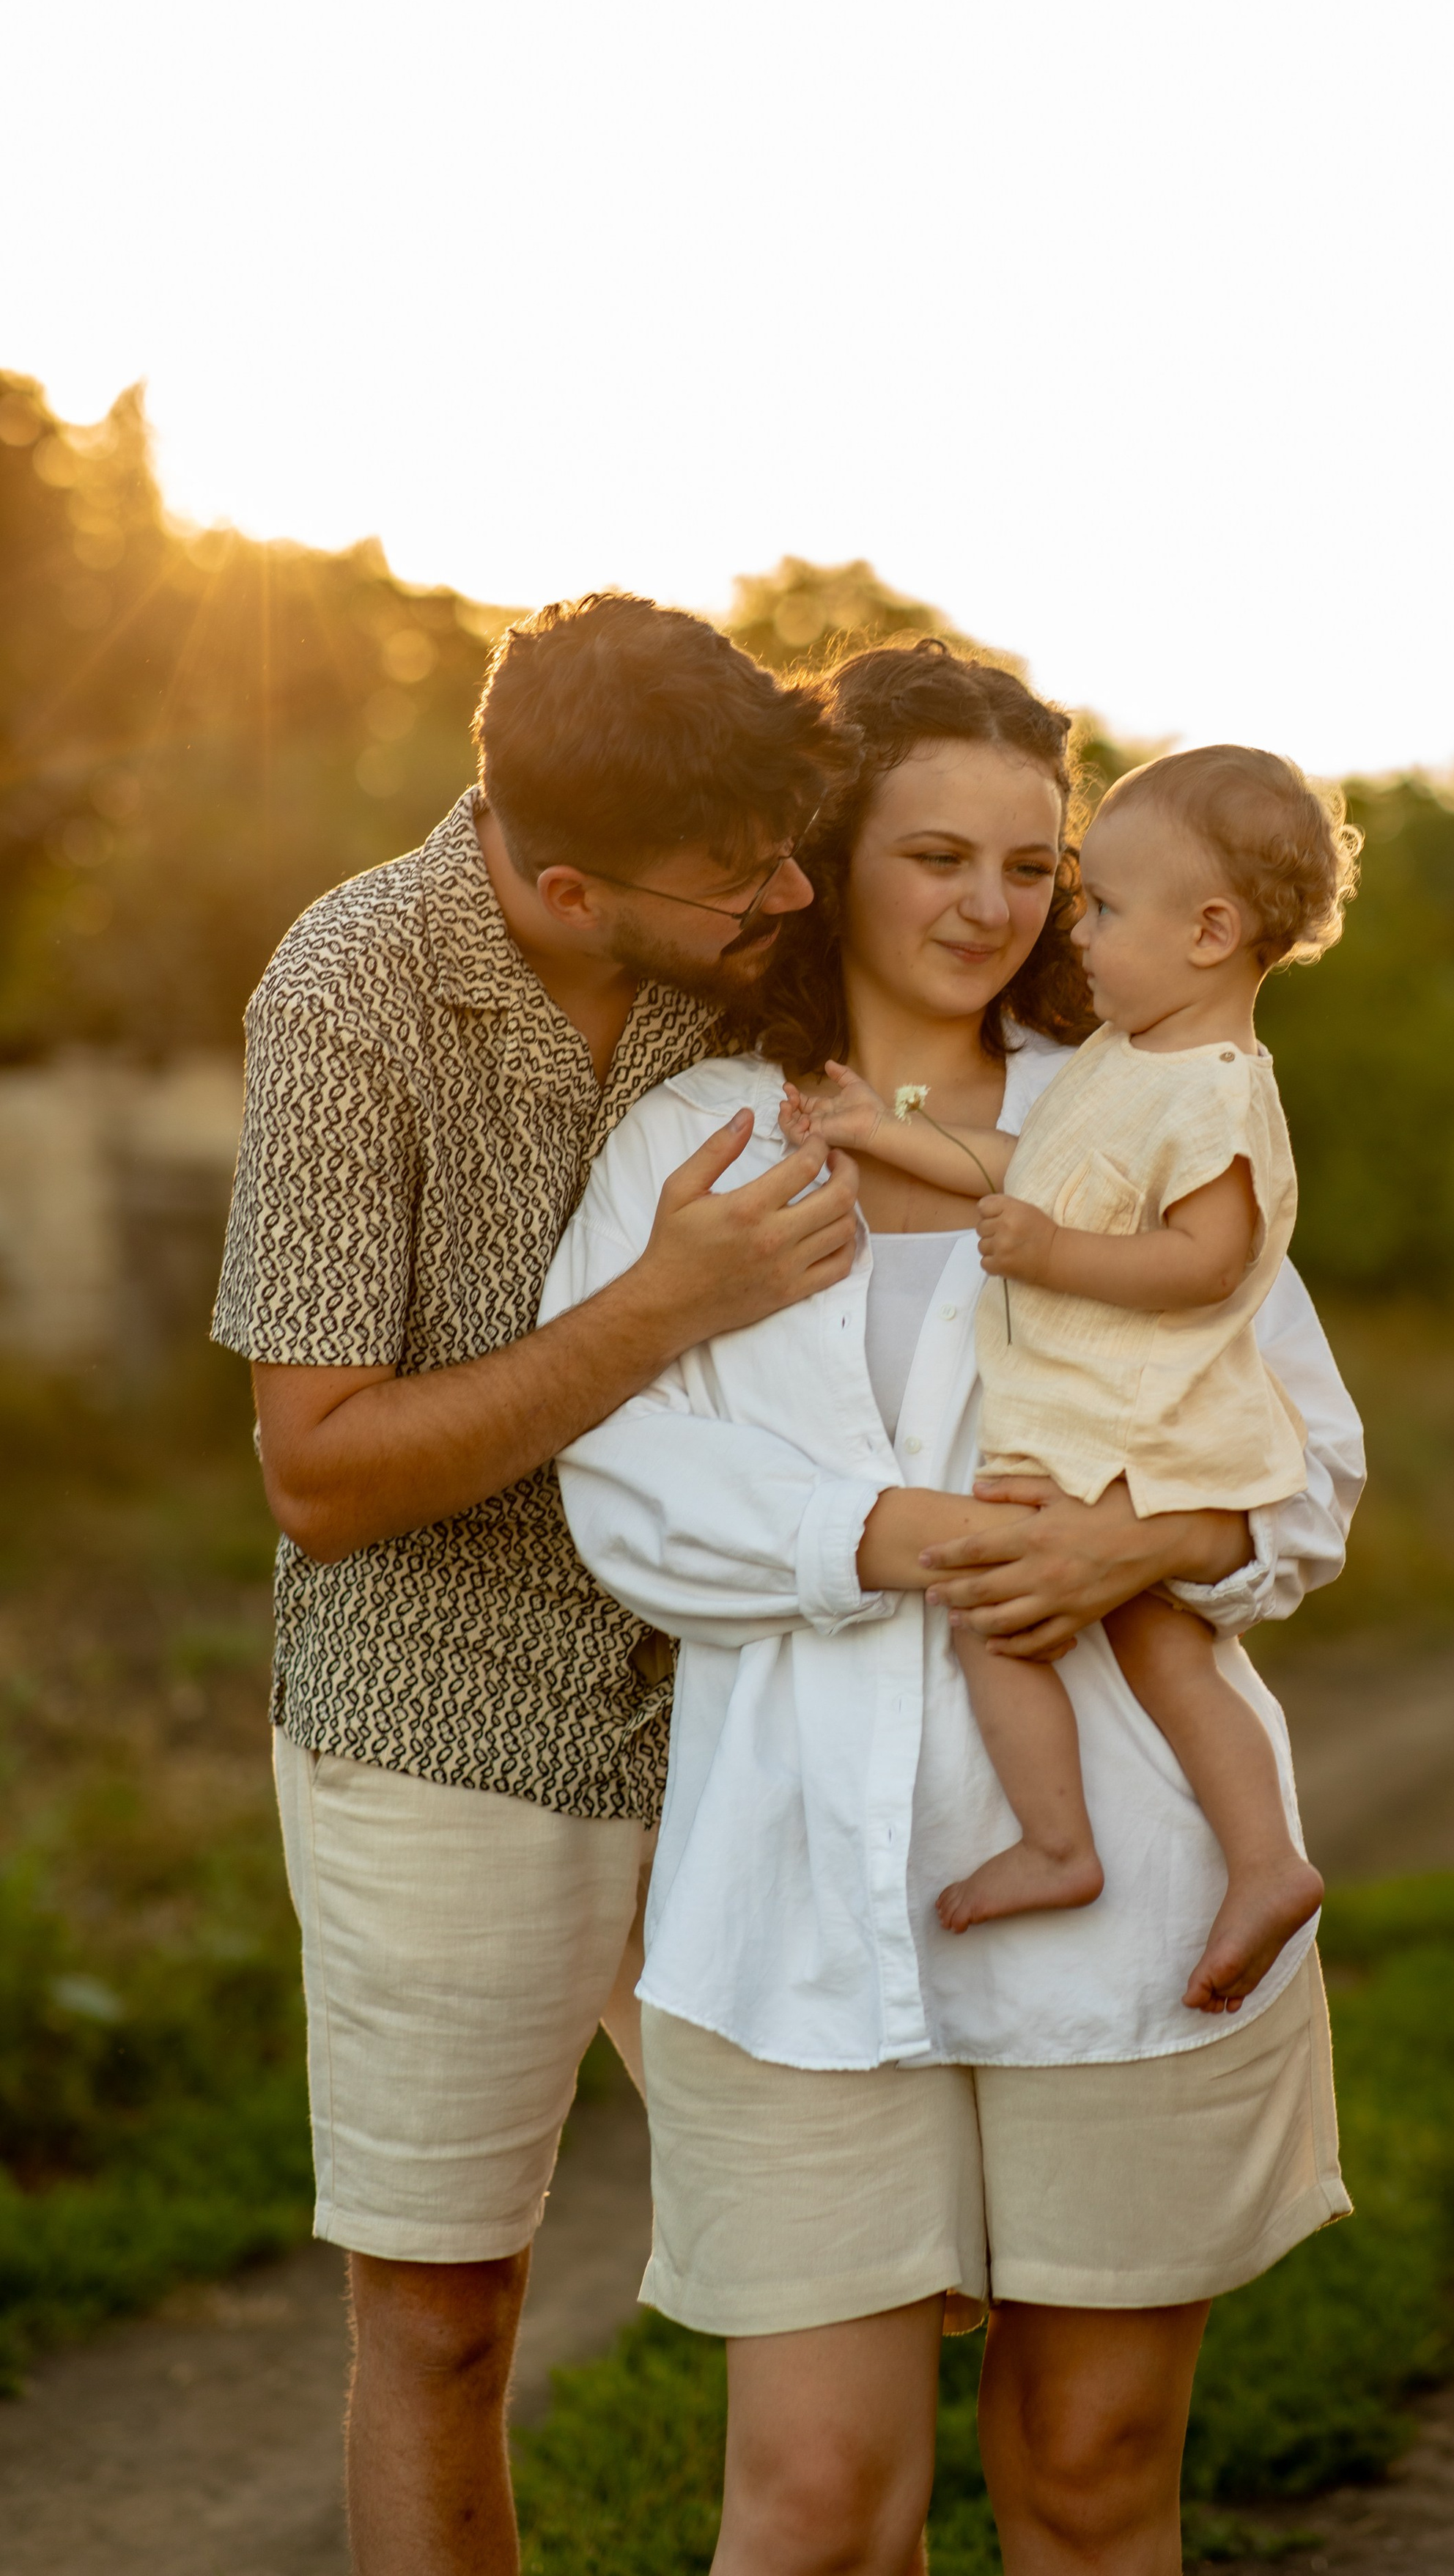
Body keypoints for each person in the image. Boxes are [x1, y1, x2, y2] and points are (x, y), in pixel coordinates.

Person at [544, 640, 1363, 2576]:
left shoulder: (1152, 1105)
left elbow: (1308, 1470)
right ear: (833, 856)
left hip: (1141, 1923)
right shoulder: (702, 1140)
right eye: (938, 856)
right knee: (819, 2512)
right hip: (803, 1918)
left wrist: (1134, 1548)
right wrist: (889, 1534)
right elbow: (623, 1484)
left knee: (1089, 2487)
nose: (992, 909)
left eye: (1033, 864)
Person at [212, 591, 865, 2576]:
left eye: (786, 846)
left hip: (762, 1702)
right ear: (569, 886)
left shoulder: (764, 927)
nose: (785, 891)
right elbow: (319, 1475)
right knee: (440, 2313)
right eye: (736, 876)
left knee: (860, 2281)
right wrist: (664, 1309)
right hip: (437, 1717)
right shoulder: (348, 993)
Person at [779, 742, 1359, 2012]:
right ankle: (1156, 1851)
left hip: (1146, 1424)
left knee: (1059, 1619)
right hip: (1102, 1420)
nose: (1073, 934)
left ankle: (1171, 1854)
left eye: (1098, 904)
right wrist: (889, 1132)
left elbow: (1210, 1260)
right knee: (1116, 1635)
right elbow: (1024, 1162)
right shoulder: (1119, 1065)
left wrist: (1052, 1252)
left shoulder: (1217, 1093)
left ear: (1210, 931)